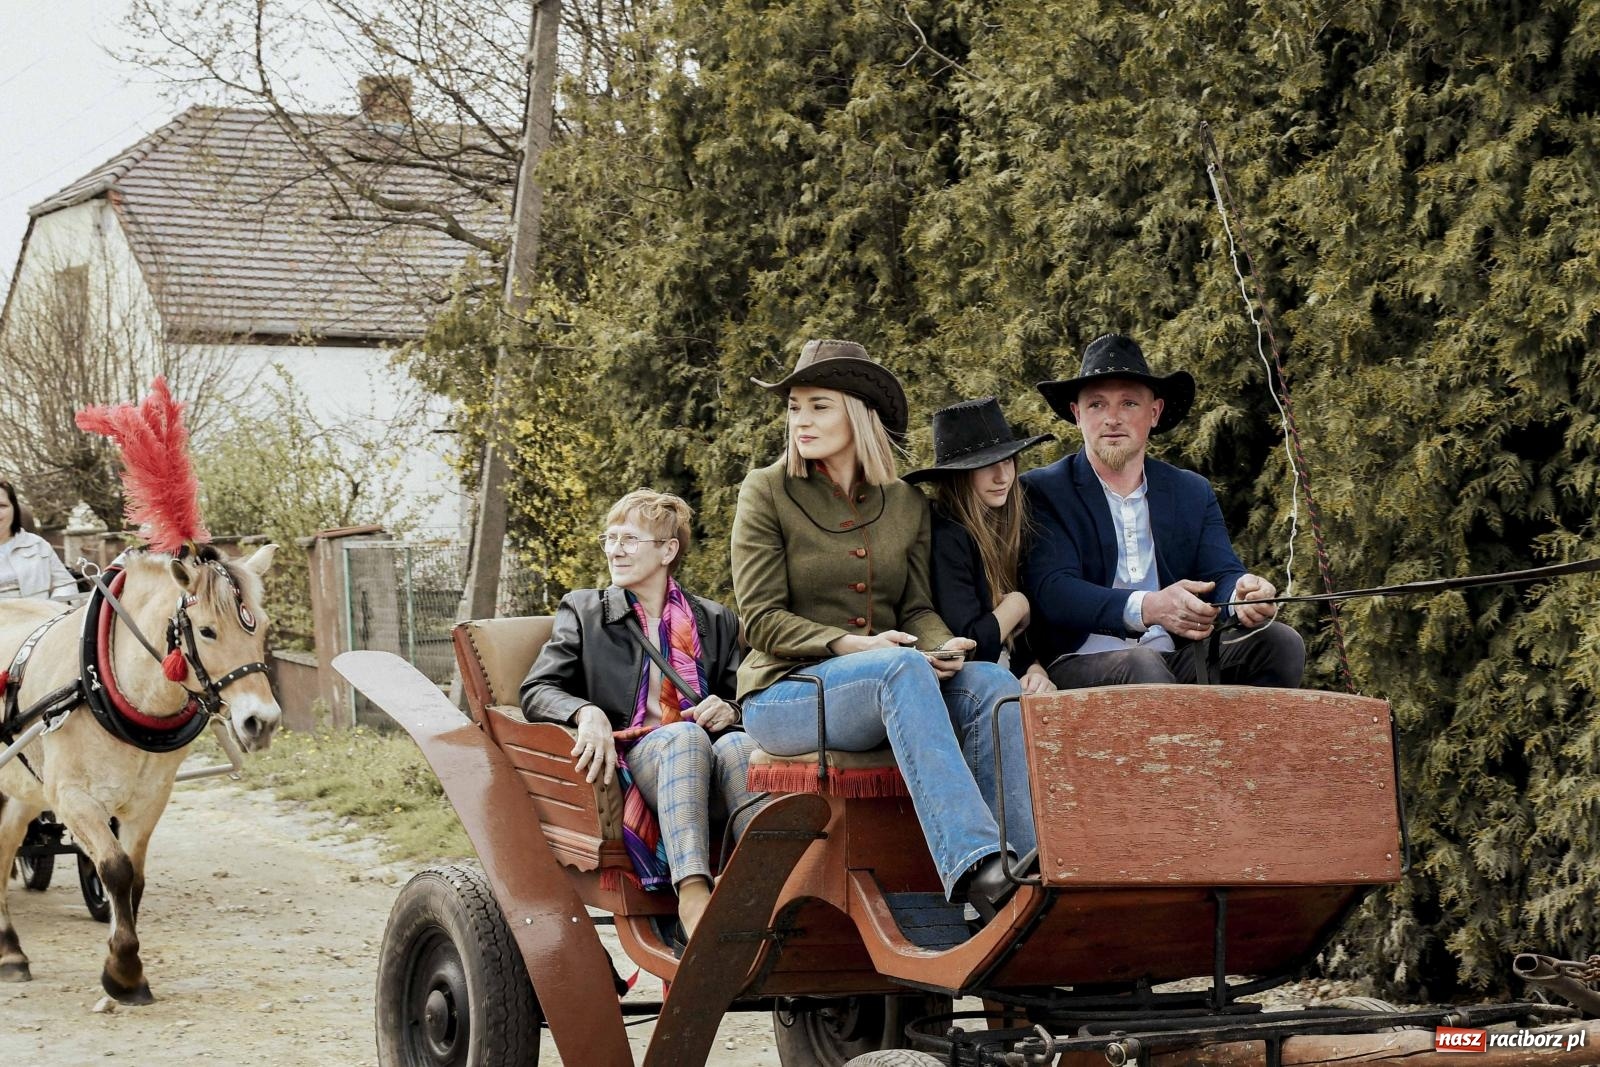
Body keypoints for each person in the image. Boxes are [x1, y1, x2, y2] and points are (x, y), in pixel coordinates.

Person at [732, 339, 1036, 922]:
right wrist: (853, 645)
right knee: (896, 669)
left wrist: (940, 648)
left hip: (892, 676)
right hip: (788, 692)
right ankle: (976, 865)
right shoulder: (766, 491)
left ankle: (1026, 866)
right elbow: (761, 619)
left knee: (992, 687)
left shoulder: (905, 503)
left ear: (859, 413)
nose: (800, 420)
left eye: (819, 405)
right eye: (794, 406)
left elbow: (917, 608)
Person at [519, 489, 762, 939]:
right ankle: (693, 895)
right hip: (635, 757)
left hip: (709, 758)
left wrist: (728, 709)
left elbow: (747, 701)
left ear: (668, 550)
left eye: (629, 539)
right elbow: (537, 690)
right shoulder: (585, 610)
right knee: (683, 739)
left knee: (741, 745)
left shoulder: (717, 619)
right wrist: (585, 711)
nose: (615, 549)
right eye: (609, 538)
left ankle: (765, 892)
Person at [1021, 333, 1305, 690]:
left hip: (1175, 660)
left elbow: (1222, 574)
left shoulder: (1190, 491)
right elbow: (1054, 591)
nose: (1112, 419)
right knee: (1143, 667)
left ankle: (1248, 747)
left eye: (1128, 404)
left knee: (1280, 643)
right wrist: (1149, 607)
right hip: (1080, 663)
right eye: (1096, 405)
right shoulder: (1043, 490)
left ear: (1154, 413)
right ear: (1077, 415)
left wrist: (1243, 596)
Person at [904, 398, 1056, 696]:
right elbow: (970, 644)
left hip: (1008, 680)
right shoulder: (947, 536)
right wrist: (1017, 604)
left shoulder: (1006, 527)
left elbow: (1021, 638)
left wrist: (1034, 668)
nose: (1002, 477)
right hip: (965, 690)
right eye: (986, 466)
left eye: (1007, 461)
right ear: (959, 475)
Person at [0, 479, 77, 600]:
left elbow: (66, 585)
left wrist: (55, 607)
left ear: (14, 508)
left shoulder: (37, 545)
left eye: (2, 506)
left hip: (43, 617)